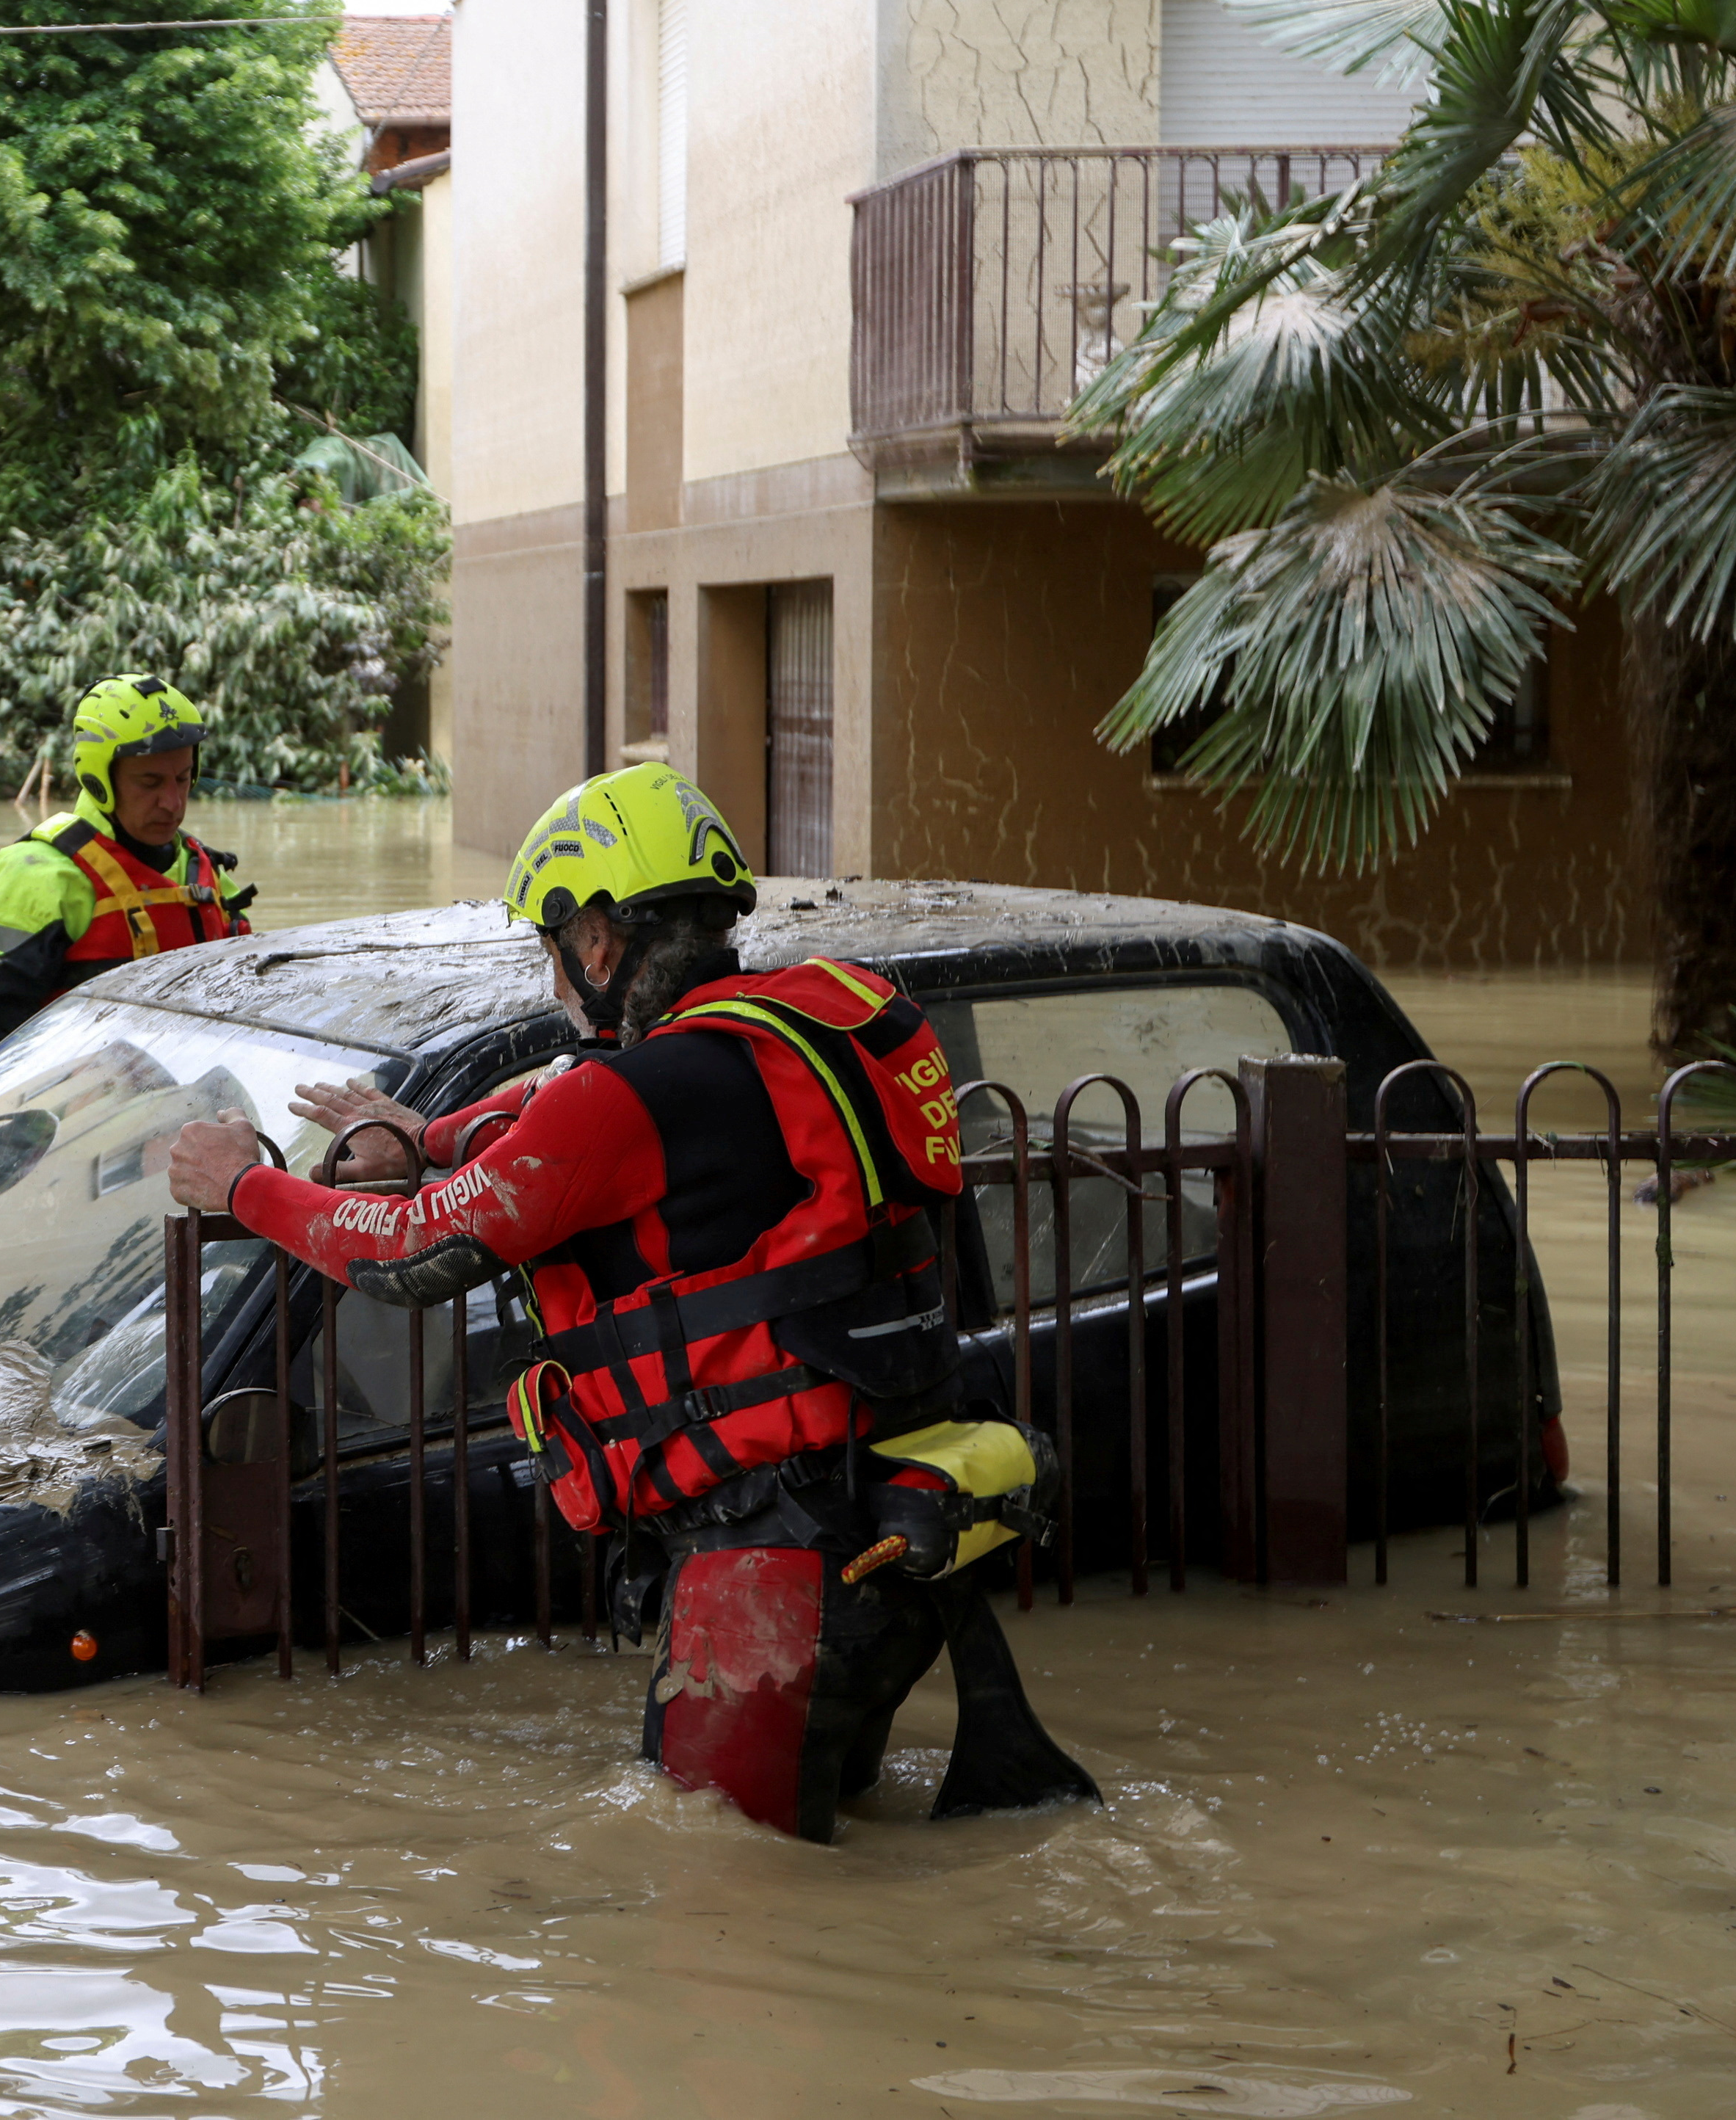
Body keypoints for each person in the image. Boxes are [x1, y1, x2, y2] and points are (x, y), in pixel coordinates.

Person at [164, 761, 1095, 1845]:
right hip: (890, 1516)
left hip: (769, 1570)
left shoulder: (636, 1096)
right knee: (822, 1854)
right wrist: (430, 1134)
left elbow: (413, 1253)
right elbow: (564, 1106)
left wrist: (244, 1184)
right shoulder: (812, 1026)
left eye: (550, 948)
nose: (553, 975)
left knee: (721, 1917)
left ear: (598, 940)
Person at [0, 673, 251, 1086]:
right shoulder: (40, 874)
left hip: (191, 1102)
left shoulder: (204, 870)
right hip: (80, 1120)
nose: (172, 803)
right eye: (150, 782)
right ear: (99, 779)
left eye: (181, 778)